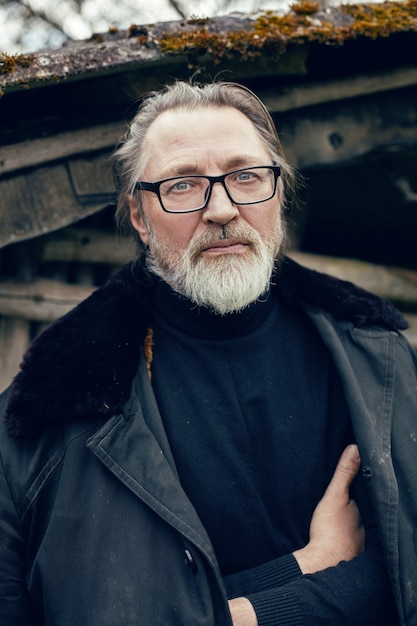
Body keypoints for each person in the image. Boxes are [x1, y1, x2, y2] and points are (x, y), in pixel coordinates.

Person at [0, 80, 416, 626]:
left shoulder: (377, 357)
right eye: (182, 184)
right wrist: (305, 570)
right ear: (140, 218)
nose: (221, 208)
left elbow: (404, 571)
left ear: (279, 194)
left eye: (246, 176)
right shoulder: (40, 421)